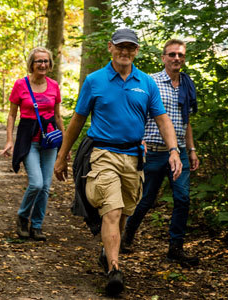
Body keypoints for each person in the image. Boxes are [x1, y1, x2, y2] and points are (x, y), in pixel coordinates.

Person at [53, 29, 182, 296]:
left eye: (130, 48)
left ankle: (106, 251)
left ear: (136, 51)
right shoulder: (94, 80)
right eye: (120, 47)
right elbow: (77, 119)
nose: (125, 52)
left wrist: (174, 150)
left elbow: (162, 118)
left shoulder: (146, 83)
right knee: (111, 211)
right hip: (103, 155)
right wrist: (63, 156)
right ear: (110, 48)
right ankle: (114, 269)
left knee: (124, 212)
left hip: (134, 158)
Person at [121, 39, 201, 267]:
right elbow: (137, 114)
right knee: (145, 200)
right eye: (172, 55)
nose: (177, 59)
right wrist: (140, 140)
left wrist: (192, 150)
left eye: (180, 55)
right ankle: (126, 235)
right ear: (163, 57)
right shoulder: (150, 82)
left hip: (180, 154)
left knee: (183, 199)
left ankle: (175, 248)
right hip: (153, 152)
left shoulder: (187, 85)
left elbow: (187, 122)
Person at [1, 47, 63, 242]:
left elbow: (58, 116)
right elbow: (12, 115)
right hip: (29, 140)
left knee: (45, 187)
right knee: (36, 183)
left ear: (50, 64)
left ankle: (36, 226)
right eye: (39, 61)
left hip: (50, 140)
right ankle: (22, 216)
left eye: (46, 61)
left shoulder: (54, 86)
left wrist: (64, 145)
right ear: (31, 64)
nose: (43, 65)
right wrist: (10, 140)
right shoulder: (21, 85)